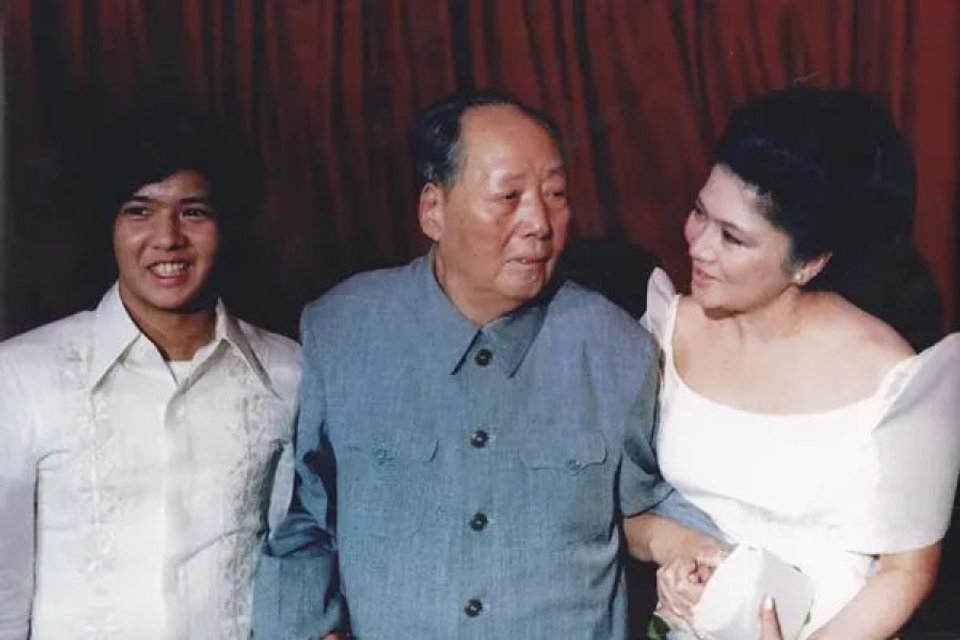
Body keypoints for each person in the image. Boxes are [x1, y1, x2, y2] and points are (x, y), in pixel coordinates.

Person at [253, 90, 720, 639]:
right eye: (508, 196)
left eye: (555, 194)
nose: (539, 223)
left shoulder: (616, 348)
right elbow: (305, 521)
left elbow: (647, 502)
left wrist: (703, 553)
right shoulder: (341, 331)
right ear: (434, 210)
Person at [638, 87, 960, 638]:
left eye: (733, 238)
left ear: (808, 264)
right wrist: (678, 549)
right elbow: (620, 504)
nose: (698, 245)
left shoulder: (893, 378)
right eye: (699, 211)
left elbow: (908, 572)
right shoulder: (669, 326)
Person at [0, 112, 301, 638]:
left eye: (193, 212)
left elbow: (296, 559)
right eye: (139, 211)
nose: (167, 238)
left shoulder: (288, 374)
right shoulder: (23, 375)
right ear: (108, 227)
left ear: (225, 225)